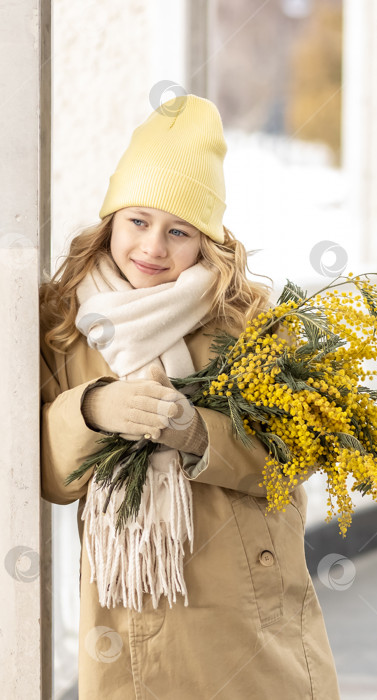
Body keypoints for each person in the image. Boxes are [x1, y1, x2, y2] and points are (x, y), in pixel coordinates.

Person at [40, 93, 341, 699]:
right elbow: (47, 475)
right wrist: (92, 410)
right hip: (136, 606)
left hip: (246, 605)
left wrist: (200, 433)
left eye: (178, 231)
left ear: (206, 240)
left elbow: (300, 449)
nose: (153, 247)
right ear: (110, 222)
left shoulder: (247, 318)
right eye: (138, 221)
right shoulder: (64, 322)